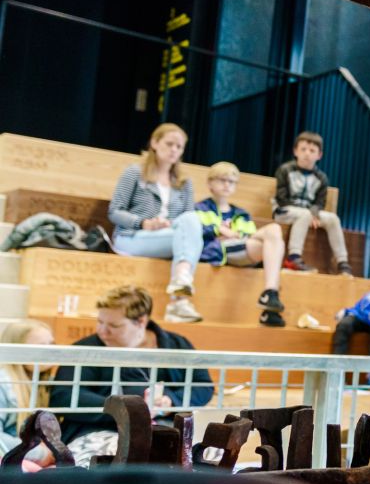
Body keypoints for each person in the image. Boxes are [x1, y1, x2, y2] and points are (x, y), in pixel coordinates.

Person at [50, 285, 214, 441]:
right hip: (97, 431)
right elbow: (64, 395)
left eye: (114, 325)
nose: (102, 331)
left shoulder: (177, 344)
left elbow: (203, 386)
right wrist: (123, 409)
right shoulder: (85, 348)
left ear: (141, 321)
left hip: (164, 430)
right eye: (99, 322)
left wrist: (170, 400)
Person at [108, 123, 204, 323]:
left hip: (167, 236)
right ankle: (179, 301)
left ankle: (181, 282)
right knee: (188, 234)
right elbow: (114, 211)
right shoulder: (135, 173)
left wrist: (168, 225)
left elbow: (187, 221)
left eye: (179, 147)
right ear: (154, 142)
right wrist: (143, 223)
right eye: (169, 144)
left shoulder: (184, 183)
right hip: (132, 236)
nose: (174, 150)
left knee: (192, 219)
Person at [196, 161, 288, 327]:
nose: (226, 185)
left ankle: (270, 294)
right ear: (210, 183)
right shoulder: (200, 208)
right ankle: (269, 298)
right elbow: (199, 233)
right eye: (221, 180)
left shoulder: (241, 214)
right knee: (273, 233)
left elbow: (249, 236)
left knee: (274, 232)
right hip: (216, 251)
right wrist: (218, 230)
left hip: (242, 249)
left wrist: (230, 234)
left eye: (231, 182)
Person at [273, 130, 351, 275]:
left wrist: (313, 214)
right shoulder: (285, 170)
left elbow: (320, 202)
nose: (307, 154)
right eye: (303, 149)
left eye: (312, 150)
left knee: (332, 218)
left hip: (309, 213)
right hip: (285, 211)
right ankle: (293, 258)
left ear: (319, 155)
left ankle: (343, 263)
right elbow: (282, 199)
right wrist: (309, 214)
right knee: (304, 215)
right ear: (295, 151)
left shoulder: (321, 177)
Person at [0, 319, 56, 453]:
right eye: (41, 346)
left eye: (52, 344)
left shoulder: (47, 382)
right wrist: (39, 452)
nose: (51, 351)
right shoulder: (4, 383)